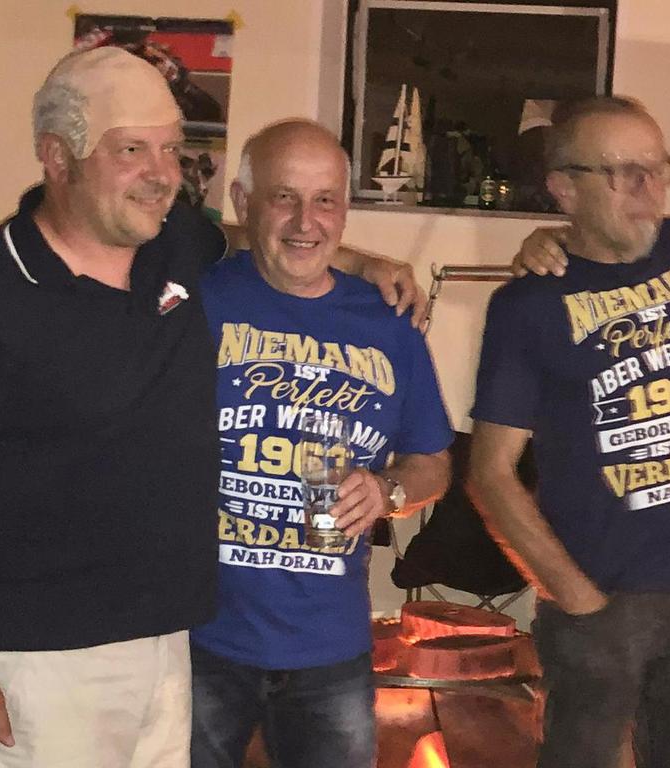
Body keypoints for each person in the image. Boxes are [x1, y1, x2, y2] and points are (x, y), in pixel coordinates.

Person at [0, 48, 423, 768]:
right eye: (131, 150)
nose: (161, 174)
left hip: (170, 641)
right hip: (42, 657)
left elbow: (263, 237)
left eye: (171, 149)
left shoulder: (172, 242)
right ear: (56, 157)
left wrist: (360, 261)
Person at [467, 96, 670, 768]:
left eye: (657, 168)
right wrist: (573, 595)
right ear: (565, 188)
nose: (647, 189)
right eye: (622, 173)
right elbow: (490, 473)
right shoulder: (528, 306)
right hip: (600, 601)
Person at [189, 119, 453, 768]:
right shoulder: (195, 299)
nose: (306, 220)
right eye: (283, 196)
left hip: (330, 649)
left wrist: (388, 491)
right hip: (198, 636)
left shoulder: (389, 322)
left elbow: (432, 463)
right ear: (244, 201)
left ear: (345, 209)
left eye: (326, 200)